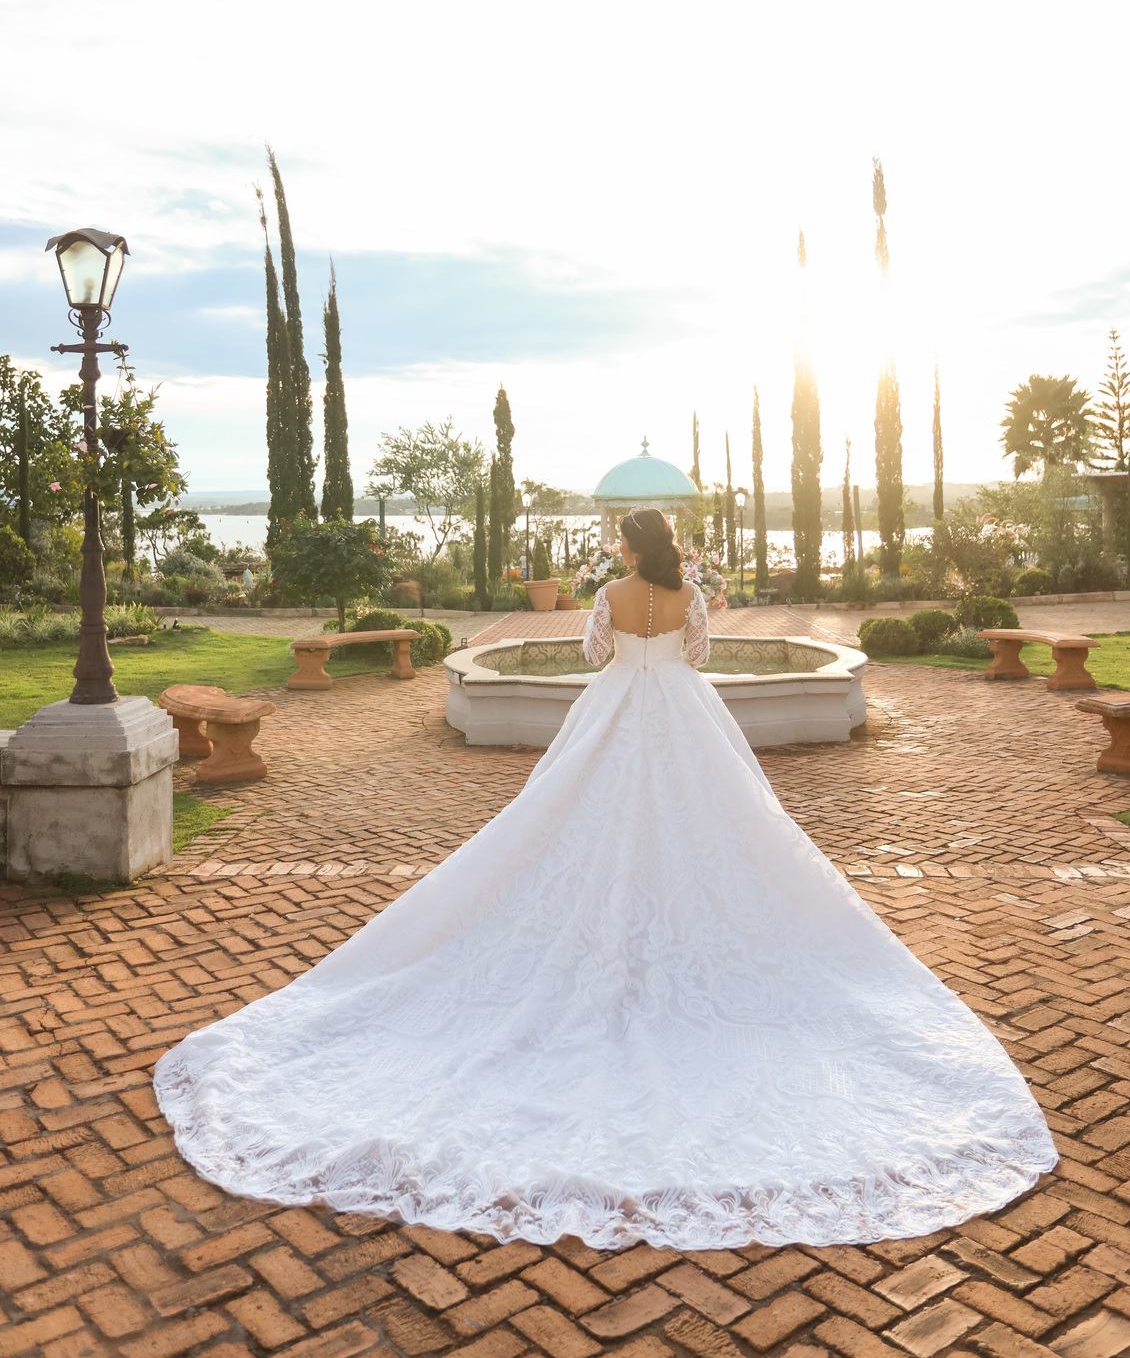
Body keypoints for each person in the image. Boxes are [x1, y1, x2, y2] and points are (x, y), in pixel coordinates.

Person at [154, 507, 1055, 1250]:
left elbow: (591, 657)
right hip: (685, 714)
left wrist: (622, 633)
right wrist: (669, 634)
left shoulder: (611, 593)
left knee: (572, 822)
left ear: (626, 545)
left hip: (617, 707)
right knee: (720, 829)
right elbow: (700, 657)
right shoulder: (688, 590)